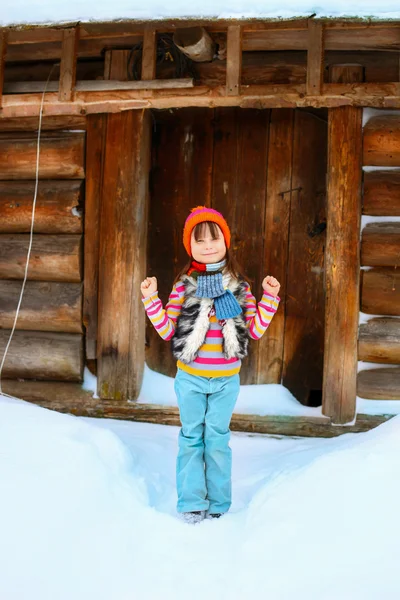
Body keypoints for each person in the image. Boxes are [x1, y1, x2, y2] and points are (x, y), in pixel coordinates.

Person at [140, 206, 281, 524]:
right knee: (191, 437)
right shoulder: (183, 287)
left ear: (225, 242)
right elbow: (166, 330)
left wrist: (269, 297)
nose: (207, 245)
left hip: (225, 381)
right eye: (199, 240)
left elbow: (255, 329)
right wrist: (151, 298)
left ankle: (219, 502)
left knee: (217, 438)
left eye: (214, 238)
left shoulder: (240, 288)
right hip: (190, 379)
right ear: (190, 246)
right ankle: (191, 501)